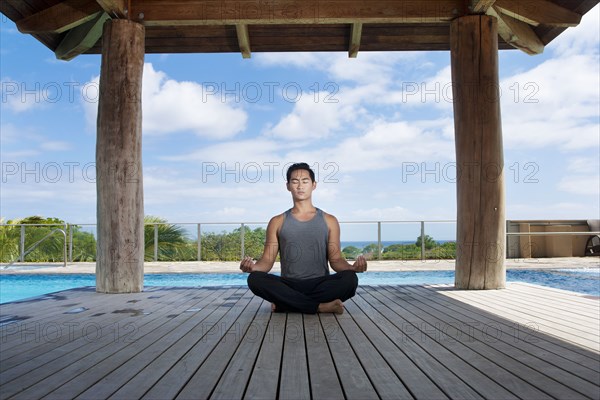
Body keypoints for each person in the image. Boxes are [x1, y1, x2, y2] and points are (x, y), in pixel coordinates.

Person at [240, 162, 367, 314]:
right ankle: (320, 306)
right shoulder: (277, 221)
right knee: (255, 279)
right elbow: (267, 261)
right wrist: (252, 268)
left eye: (305, 181)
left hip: (320, 283)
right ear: (288, 186)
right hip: (289, 284)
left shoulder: (330, 220)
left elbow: (336, 260)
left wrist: (352, 268)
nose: (300, 186)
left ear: (314, 185)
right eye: (295, 181)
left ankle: (287, 304)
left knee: (350, 280)